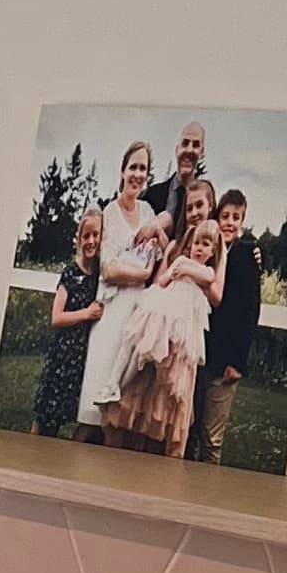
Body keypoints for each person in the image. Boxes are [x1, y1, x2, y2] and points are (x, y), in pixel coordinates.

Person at [102, 182, 223, 456]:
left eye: (199, 206)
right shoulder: (177, 246)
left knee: (170, 407)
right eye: (190, 207)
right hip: (163, 332)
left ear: (210, 206)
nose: (194, 212)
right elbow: (160, 283)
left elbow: (216, 293)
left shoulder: (214, 251)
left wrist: (194, 267)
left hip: (186, 343)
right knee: (141, 398)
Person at [76, 142, 169, 429]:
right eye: (133, 167)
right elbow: (108, 267)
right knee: (95, 396)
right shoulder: (110, 212)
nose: (137, 174)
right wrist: (141, 274)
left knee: (119, 408)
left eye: (143, 168)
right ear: (122, 171)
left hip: (138, 312)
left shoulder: (148, 210)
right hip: (113, 311)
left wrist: (157, 230)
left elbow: (165, 253)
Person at [189, 185, 262, 463]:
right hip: (201, 352)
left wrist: (239, 362)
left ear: (242, 221)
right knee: (191, 431)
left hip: (226, 361)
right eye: (226, 216)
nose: (229, 223)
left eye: (236, 218)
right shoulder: (208, 250)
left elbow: (250, 311)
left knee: (211, 438)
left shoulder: (246, 255)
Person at [35, 203, 104, 437]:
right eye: (87, 236)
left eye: (96, 235)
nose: (91, 241)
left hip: (83, 359)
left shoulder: (100, 276)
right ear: (79, 239)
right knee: (46, 418)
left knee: (76, 419)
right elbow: (56, 317)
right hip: (63, 357)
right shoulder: (71, 272)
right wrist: (85, 313)